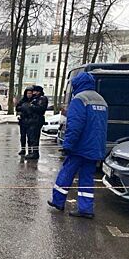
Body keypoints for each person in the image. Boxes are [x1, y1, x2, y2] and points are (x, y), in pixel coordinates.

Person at [48, 72, 108, 219]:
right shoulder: (101, 100)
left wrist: (68, 144)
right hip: (95, 148)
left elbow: (74, 126)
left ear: (77, 85)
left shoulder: (80, 100)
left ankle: (58, 201)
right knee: (87, 177)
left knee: (67, 173)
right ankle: (86, 208)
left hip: (79, 147)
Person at [22, 85, 48, 160]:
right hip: (32, 120)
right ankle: (32, 152)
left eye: (34, 91)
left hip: (37, 120)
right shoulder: (35, 99)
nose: (33, 93)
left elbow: (41, 108)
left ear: (38, 91)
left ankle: (35, 153)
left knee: (35, 137)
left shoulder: (42, 98)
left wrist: (31, 107)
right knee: (31, 137)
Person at [15, 86, 34, 155]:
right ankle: (23, 149)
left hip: (30, 121)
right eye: (28, 93)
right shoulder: (23, 100)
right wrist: (23, 107)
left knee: (30, 137)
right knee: (22, 136)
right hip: (23, 120)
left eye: (30, 93)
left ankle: (30, 150)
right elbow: (17, 108)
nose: (29, 94)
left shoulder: (34, 100)